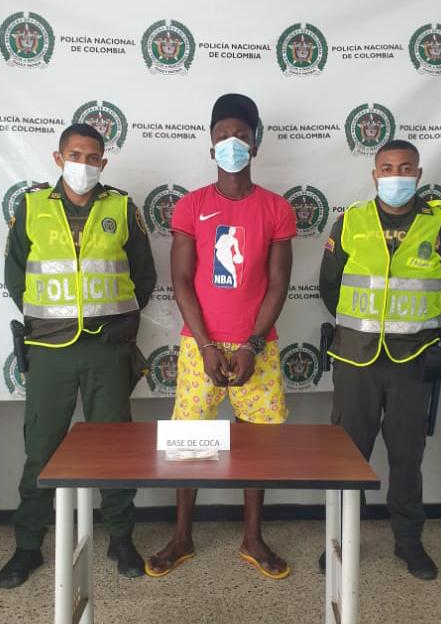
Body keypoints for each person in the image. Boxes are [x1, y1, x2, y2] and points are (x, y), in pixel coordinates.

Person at [0, 123, 157, 589]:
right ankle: (28, 545)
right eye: (74, 155)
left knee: (114, 448)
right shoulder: (31, 207)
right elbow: (16, 277)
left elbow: (143, 276)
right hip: (50, 350)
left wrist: (118, 321)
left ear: (103, 163)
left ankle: (121, 538)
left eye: (92, 158)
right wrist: (51, 318)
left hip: (107, 348)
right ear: (58, 158)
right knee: (41, 450)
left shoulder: (122, 207)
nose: (82, 165)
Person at [145, 93, 296, 580]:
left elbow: (278, 284)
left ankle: (253, 538)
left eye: (241, 135)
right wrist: (207, 346)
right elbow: (181, 280)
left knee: (258, 445)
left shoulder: (276, 208)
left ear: (256, 143)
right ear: (211, 146)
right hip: (199, 345)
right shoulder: (192, 206)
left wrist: (252, 344)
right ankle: (181, 536)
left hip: (259, 346)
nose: (232, 143)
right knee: (190, 440)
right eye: (223, 135)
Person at [319, 139, 441, 580]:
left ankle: (408, 540)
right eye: (387, 168)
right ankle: (340, 539)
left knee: (407, 455)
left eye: (404, 168)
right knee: (347, 454)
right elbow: (330, 286)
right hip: (356, 358)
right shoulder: (350, 221)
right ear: (374, 174)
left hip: (413, 360)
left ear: (418, 174)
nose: (395, 175)